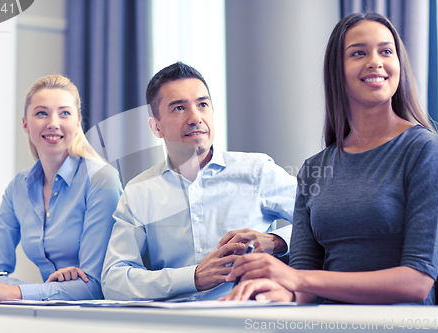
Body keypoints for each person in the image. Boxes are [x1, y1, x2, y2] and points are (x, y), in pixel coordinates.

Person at [221, 12, 438, 305]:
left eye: (386, 51)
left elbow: (417, 281)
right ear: (337, 70)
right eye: (359, 53)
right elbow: (304, 280)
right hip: (325, 322)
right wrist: (271, 292)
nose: (375, 61)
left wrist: (295, 279)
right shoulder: (313, 169)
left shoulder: (424, 150)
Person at [101, 62, 297, 301]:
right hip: (175, 324)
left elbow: (324, 225)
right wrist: (193, 277)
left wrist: (276, 242)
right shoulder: (138, 192)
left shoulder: (257, 171)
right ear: (156, 126)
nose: (195, 118)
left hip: (248, 320)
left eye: (202, 105)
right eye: (179, 108)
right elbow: (114, 280)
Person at [0, 75, 122, 301]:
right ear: (25, 123)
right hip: (49, 311)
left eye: (64, 113)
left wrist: (13, 291)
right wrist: (35, 290)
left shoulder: (102, 180)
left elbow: (95, 286)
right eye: (41, 113)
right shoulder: (18, 187)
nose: (53, 123)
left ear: (77, 123)